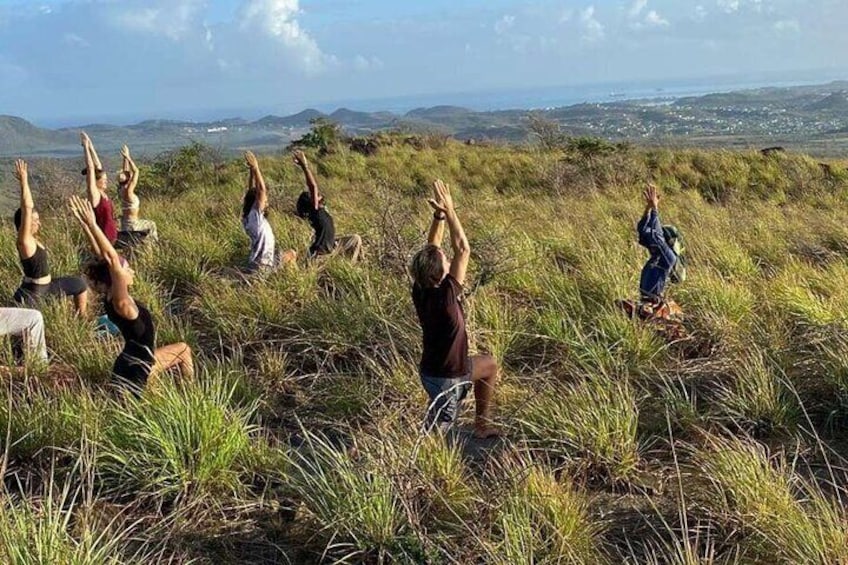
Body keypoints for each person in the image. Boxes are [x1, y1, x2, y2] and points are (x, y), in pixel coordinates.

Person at [69, 195, 193, 392]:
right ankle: (190, 394)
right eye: (127, 270)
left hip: (132, 362)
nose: (132, 271)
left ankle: (182, 394)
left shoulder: (112, 297)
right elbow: (111, 259)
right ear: (116, 277)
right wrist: (93, 224)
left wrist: (86, 226)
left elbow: (104, 257)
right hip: (138, 370)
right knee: (183, 350)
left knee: (182, 350)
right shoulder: (122, 302)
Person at [410, 179, 499, 438]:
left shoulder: (421, 288)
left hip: (430, 371)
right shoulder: (447, 297)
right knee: (432, 439)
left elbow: (433, 247)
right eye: (445, 261)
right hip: (448, 379)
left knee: (489, 365)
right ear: (440, 274)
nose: (448, 259)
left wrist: (438, 216)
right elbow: (463, 248)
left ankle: (481, 426)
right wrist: (451, 211)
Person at [12, 159, 89, 316]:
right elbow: (27, 207)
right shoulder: (24, 241)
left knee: (80, 284)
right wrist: (24, 181)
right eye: (34, 221)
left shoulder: (32, 239)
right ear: (24, 224)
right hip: (35, 293)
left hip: (48, 286)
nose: (38, 224)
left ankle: (83, 318)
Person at [620, 184, 683, 323]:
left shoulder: (669, 257)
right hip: (646, 303)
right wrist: (648, 208)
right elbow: (643, 230)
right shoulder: (657, 256)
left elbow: (656, 236)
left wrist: (655, 209)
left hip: (653, 305)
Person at [293, 150, 362, 262]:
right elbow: (313, 186)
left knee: (355, 238)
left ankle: (353, 266)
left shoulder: (319, 211)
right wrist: (305, 166)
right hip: (321, 255)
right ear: (311, 202)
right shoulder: (314, 210)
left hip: (332, 246)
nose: (318, 195)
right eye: (313, 196)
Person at [241, 151, 296, 273]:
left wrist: (251, 172)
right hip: (263, 266)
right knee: (291, 253)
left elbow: (251, 193)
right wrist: (256, 167)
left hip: (255, 264)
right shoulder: (257, 218)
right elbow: (261, 190)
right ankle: (291, 279)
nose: (266, 202)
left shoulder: (248, 217)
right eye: (265, 201)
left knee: (283, 254)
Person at [80, 132, 118, 244]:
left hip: (112, 235)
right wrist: (85, 148)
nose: (106, 181)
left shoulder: (102, 193)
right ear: (96, 181)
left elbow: (98, 166)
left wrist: (91, 145)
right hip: (104, 238)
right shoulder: (94, 195)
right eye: (104, 180)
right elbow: (91, 168)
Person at [117, 144, 158, 242]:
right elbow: (136, 171)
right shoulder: (129, 191)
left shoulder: (122, 190)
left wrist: (125, 158)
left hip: (125, 224)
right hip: (133, 225)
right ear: (128, 181)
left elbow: (126, 171)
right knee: (152, 225)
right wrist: (128, 157)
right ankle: (153, 245)